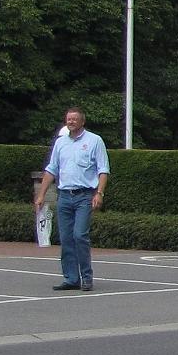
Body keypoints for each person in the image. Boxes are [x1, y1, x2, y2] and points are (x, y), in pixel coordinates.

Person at [34, 107, 109, 292]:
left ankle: (86, 277)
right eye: (68, 119)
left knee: (79, 235)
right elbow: (52, 169)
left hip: (84, 196)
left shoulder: (94, 141)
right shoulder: (61, 143)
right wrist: (41, 194)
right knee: (66, 238)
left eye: (74, 119)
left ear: (82, 121)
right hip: (64, 196)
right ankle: (71, 278)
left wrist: (99, 193)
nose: (71, 122)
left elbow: (103, 169)